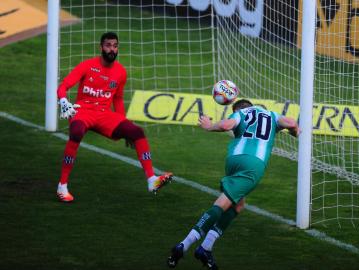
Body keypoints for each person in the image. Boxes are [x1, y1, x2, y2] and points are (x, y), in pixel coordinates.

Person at [167, 99, 300, 269]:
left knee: (238, 205)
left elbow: (226, 125)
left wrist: (209, 125)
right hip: (253, 165)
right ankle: (183, 245)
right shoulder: (271, 115)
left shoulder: (240, 114)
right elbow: (291, 122)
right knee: (221, 204)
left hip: (233, 160)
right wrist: (295, 132)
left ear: (238, 108)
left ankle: (206, 248)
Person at [56, 32, 172, 202]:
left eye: (115, 46)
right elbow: (63, 86)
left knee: (136, 132)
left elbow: (117, 100)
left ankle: (151, 180)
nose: (112, 49)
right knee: (76, 132)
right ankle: (62, 185)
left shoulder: (120, 72)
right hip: (83, 111)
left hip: (104, 114)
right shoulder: (87, 65)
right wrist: (64, 100)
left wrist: (124, 124)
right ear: (101, 47)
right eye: (108, 45)